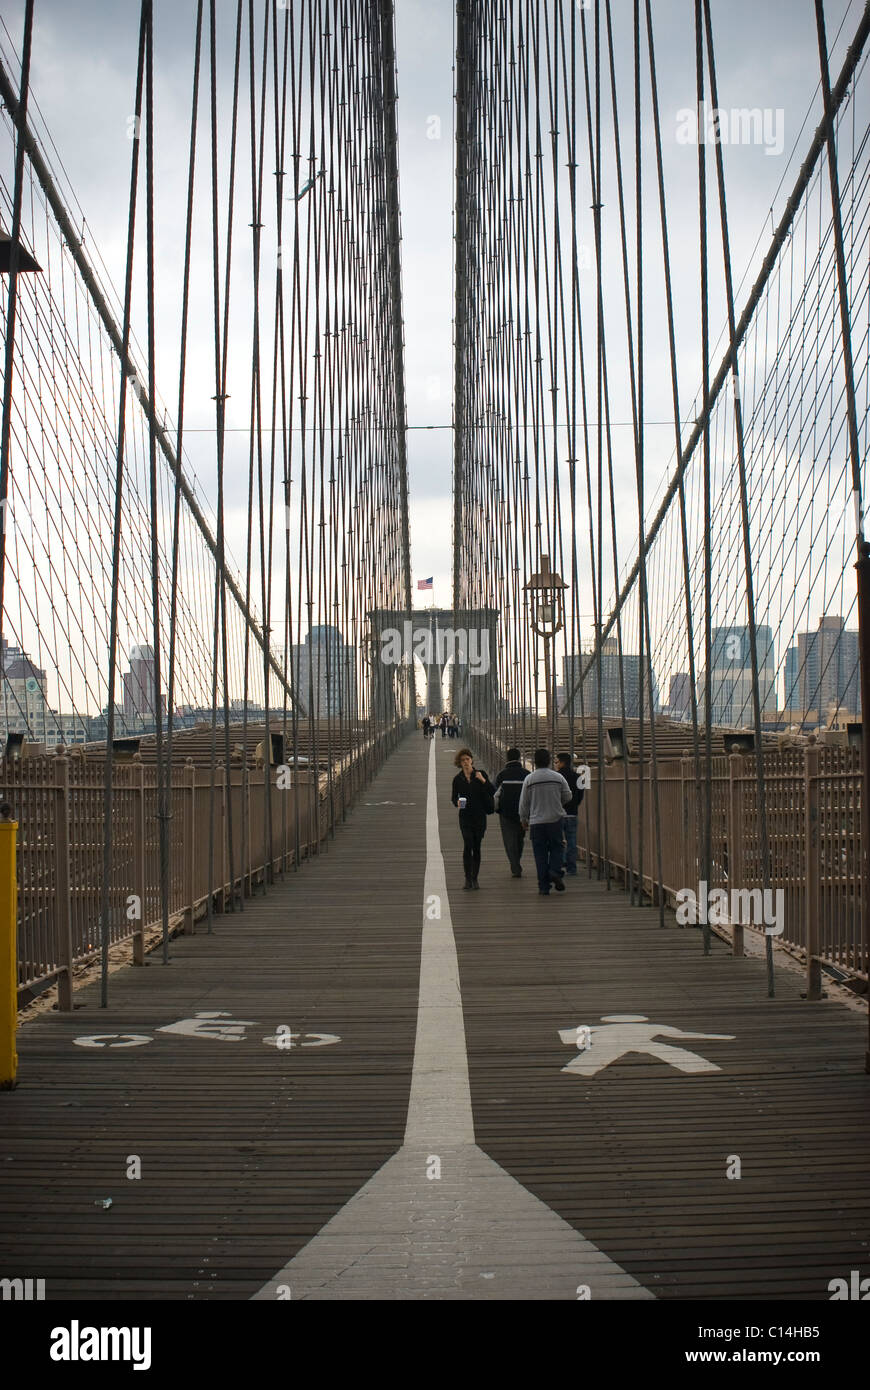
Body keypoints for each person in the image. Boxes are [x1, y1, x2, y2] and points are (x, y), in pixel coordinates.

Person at [518, 748, 572, 895]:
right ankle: (554, 871)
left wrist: (524, 819)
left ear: (535, 761)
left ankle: (543, 886)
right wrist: (557, 802)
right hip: (555, 819)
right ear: (548, 761)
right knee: (557, 847)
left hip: (536, 822)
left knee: (540, 854)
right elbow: (568, 796)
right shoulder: (558, 777)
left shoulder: (529, 779)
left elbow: (524, 803)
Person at [451, 747, 496, 889]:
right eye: (463, 760)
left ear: (472, 760)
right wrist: (457, 803)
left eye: (467, 759)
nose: (465, 762)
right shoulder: (457, 779)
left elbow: (492, 791)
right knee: (468, 843)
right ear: (459, 762)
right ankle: (467, 878)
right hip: (465, 817)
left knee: (477, 847)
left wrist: (483, 780)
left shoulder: (480, 774)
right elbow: (453, 797)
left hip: (479, 816)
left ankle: (475, 878)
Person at [493, 747, 529, 877]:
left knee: (509, 840)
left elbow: (495, 794)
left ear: (507, 758)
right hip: (522, 813)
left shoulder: (502, 775)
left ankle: (514, 864)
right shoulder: (527, 774)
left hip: (506, 813)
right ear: (519, 758)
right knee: (520, 839)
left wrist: (496, 809)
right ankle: (517, 860)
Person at [555, 752, 584, 876]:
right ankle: (572, 868)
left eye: (556, 762)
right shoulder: (577, 777)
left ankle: (560, 863)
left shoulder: (556, 777)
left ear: (562, 762)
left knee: (557, 842)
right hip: (572, 813)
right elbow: (581, 795)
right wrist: (574, 805)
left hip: (558, 813)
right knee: (572, 841)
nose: (555, 764)